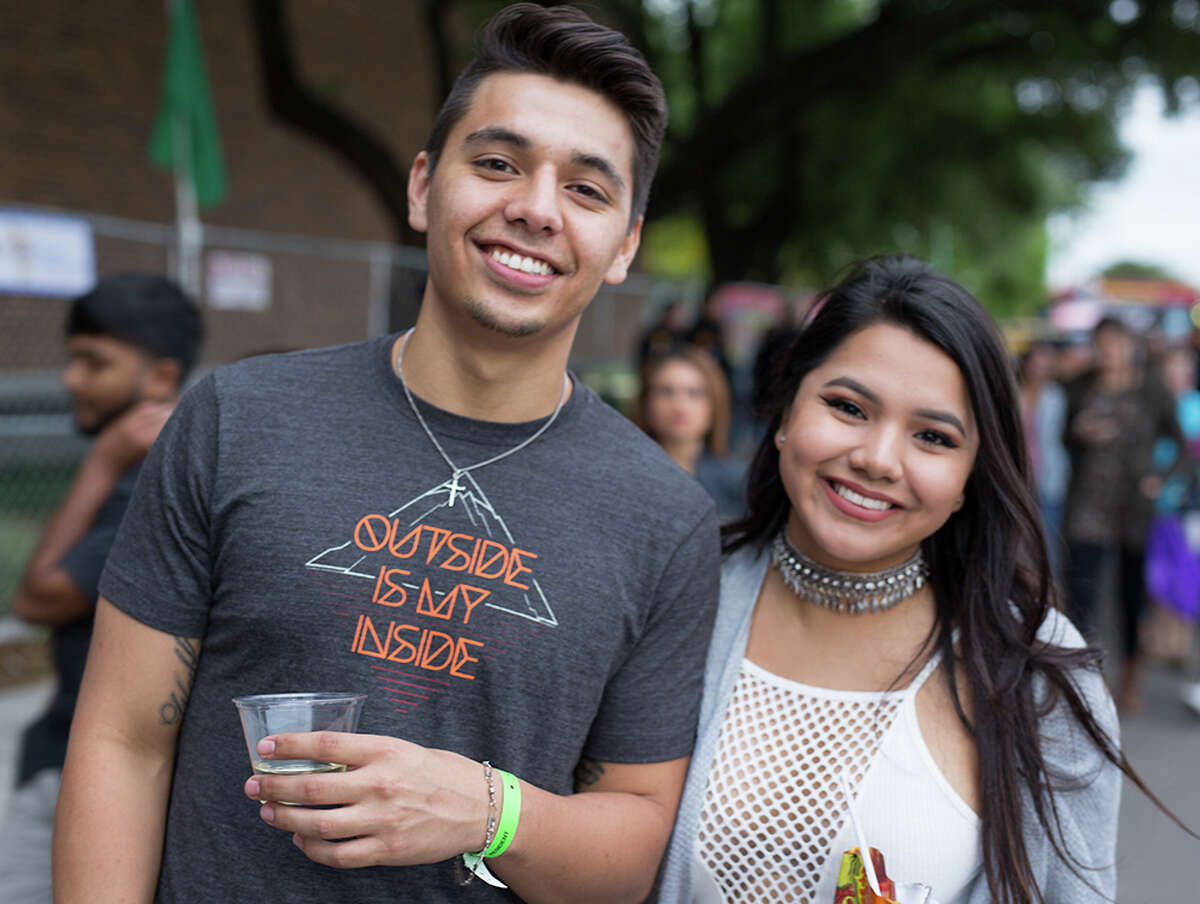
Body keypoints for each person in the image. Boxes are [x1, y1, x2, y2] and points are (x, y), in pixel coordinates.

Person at [54, 5, 720, 904]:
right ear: (421, 187)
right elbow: (122, 741)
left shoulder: (665, 519)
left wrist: (488, 810)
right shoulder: (236, 418)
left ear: (625, 246)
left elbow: (634, 842)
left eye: (587, 190)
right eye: (497, 164)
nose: (533, 208)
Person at [658, 257, 1129, 903]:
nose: (877, 459)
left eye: (933, 437)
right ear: (786, 409)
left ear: (971, 477)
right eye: (849, 407)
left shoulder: (1039, 676)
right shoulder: (674, 594)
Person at [0, 274, 201, 904]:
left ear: (162, 379)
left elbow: (39, 596)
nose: (71, 379)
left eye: (96, 362)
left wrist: (103, 460)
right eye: (73, 358)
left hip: (90, 774)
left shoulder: (150, 483)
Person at [1062, 316, 1185, 713]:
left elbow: (1183, 445)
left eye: (1115, 343)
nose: (1108, 351)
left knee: (1130, 598)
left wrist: (1159, 478)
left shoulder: (1151, 388)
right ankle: (1080, 681)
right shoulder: (1082, 385)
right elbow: (1065, 438)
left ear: (1128, 345)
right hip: (1086, 506)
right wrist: (1080, 434)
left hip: (1133, 510)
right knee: (1081, 594)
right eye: (1101, 344)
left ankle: (1130, 680)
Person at [637, 347, 746, 519]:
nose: (679, 405)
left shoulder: (739, 483)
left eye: (694, 393)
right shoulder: (625, 478)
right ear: (647, 402)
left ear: (714, 405)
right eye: (666, 391)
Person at [1018, 340, 1069, 574]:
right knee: (1018, 538)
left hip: (1048, 476)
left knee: (1047, 539)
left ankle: (1047, 589)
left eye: (1046, 364)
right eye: (1036, 363)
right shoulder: (1013, 393)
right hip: (1018, 475)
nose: (1040, 369)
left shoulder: (1056, 396)